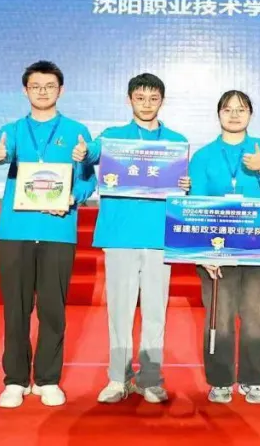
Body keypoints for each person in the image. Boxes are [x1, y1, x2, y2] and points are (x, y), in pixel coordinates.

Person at [73, 73, 189, 404]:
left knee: (155, 313)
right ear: (129, 100)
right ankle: (118, 378)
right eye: (140, 98)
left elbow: (183, 186)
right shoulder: (113, 137)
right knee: (119, 312)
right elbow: (94, 152)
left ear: (162, 101)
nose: (147, 104)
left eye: (153, 98)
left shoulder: (176, 142)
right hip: (121, 235)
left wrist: (187, 185)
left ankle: (150, 379)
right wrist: (85, 151)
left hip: (159, 237)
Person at [0, 61, 97, 409]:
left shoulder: (76, 131)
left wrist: (73, 196)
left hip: (57, 231)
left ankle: (48, 379)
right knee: (15, 310)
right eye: (36, 86)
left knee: (53, 309)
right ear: (25, 90)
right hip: (15, 231)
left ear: (60, 90)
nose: (43, 92)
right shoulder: (13, 130)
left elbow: (89, 178)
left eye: (49, 86)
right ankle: (15, 380)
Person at [189, 90, 260, 404]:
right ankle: (220, 380)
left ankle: (253, 380)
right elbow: (196, 204)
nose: (234, 115)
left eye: (241, 109)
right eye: (227, 109)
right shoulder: (203, 156)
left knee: (256, 315)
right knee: (219, 315)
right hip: (219, 248)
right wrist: (203, 254)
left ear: (251, 114)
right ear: (218, 114)